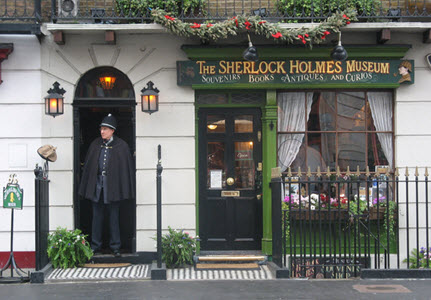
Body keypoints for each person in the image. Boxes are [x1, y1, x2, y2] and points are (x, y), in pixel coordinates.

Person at [79, 114, 135, 257]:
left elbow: (124, 169)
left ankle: (115, 246)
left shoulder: (121, 146)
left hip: (113, 188)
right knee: (96, 218)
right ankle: (95, 246)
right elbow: (90, 166)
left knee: (114, 218)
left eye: (105, 129)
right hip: (97, 187)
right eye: (101, 129)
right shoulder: (95, 144)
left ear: (112, 130)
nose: (102, 132)